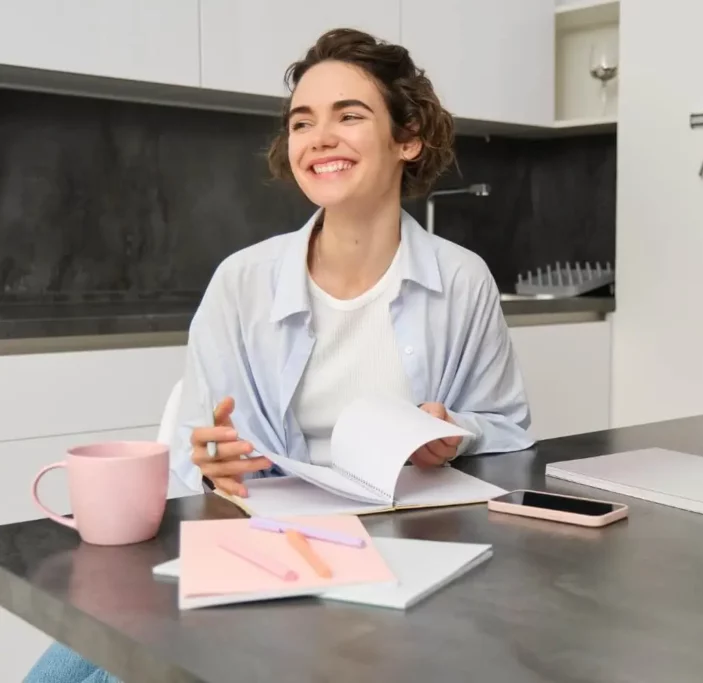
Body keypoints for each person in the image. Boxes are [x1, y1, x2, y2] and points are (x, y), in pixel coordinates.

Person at [25, 26, 534, 683]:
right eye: (302, 121)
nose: (319, 137)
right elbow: (196, 452)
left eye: (349, 115)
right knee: (84, 654)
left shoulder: (462, 281)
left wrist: (455, 434)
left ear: (408, 139)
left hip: (407, 557)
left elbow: (513, 433)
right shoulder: (242, 282)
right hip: (263, 548)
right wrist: (213, 466)